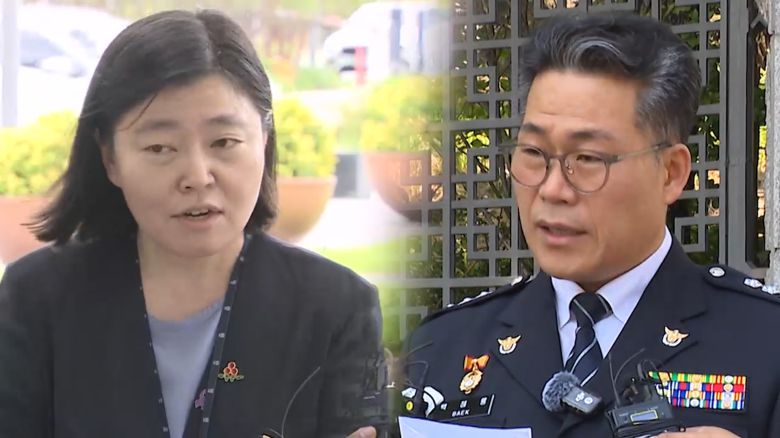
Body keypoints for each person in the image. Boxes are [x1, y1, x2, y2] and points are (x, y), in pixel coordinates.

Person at [0, 9, 385, 438]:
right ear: (110, 158)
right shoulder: (35, 300)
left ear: (264, 139)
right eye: (160, 148)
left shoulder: (337, 307)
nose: (198, 176)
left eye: (224, 142)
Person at [400, 13, 780, 438]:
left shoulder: (765, 341)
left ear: (670, 173)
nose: (552, 189)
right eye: (533, 152)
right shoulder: (445, 347)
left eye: (587, 159)